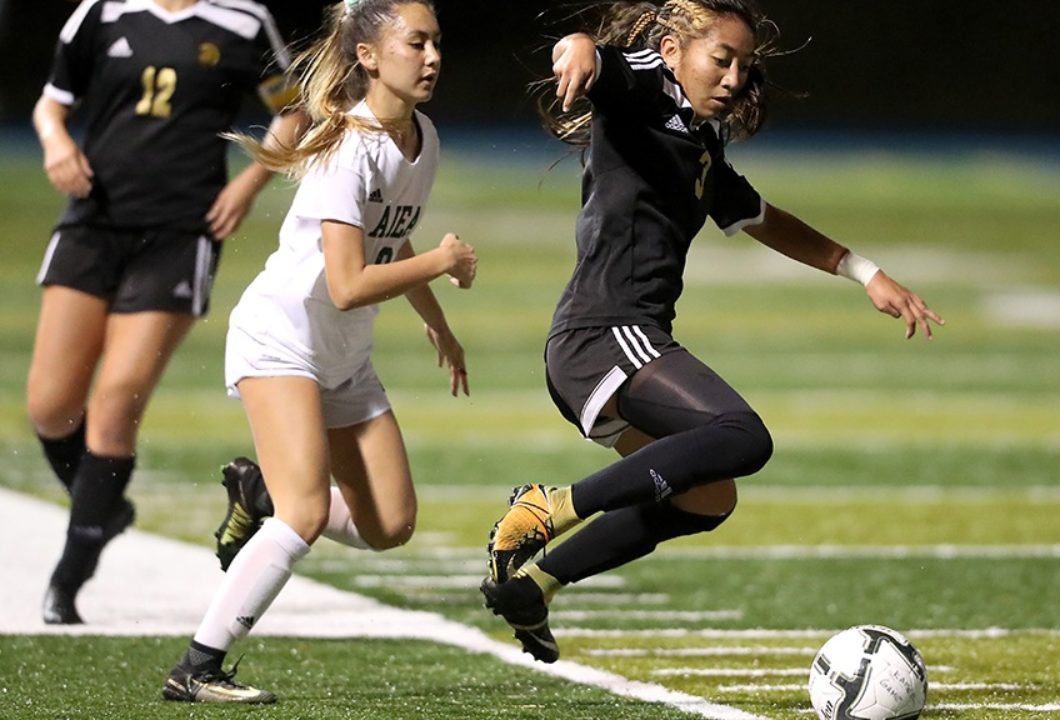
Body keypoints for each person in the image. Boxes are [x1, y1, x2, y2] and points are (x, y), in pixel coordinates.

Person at [482, 0, 943, 663]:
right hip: (606, 334)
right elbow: (600, 60)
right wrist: (577, 46)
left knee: (706, 497)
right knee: (742, 436)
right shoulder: (647, 84)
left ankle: (538, 584)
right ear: (673, 51)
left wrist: (862, 271)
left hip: (605, 347)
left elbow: (756, 213)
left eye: (743, 66)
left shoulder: (696, 139)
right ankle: (551, 504)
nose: (733, 78)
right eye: (720, 59)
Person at [162, 0, 475, 703]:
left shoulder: (422, 135)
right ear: (369, 56)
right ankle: (197, 667)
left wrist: (439, 324)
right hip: (281, 342)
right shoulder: (345, 147)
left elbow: (386, 245)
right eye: (416, 43)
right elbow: (345, 284)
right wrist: (440, 263)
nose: (432, 57)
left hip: (341, 357)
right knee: (304, 517)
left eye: (436, 43)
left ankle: (264, 492)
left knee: (390, 525)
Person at [30, 0, 308, 625]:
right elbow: (53, 102)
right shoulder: (98, 14)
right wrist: (54, 142)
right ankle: (101, 505)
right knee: (50, 407)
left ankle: (67, 580)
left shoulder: (242, 20)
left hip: (181, 233)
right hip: (92, 223)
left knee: (115, 399)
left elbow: (293, 111)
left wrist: (248, 182)